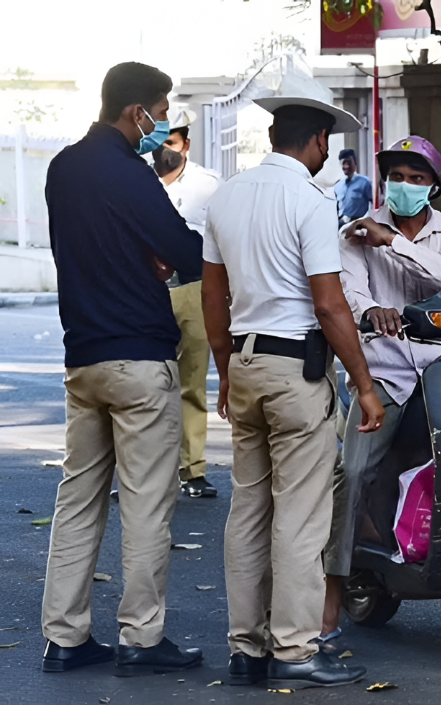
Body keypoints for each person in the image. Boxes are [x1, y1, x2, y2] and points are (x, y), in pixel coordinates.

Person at [202, 94, 385, 689]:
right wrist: (363, 385)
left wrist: (227, 369)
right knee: (302, 515)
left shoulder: (224, 197)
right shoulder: (311, 200)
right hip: (295, 371)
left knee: (249, 510)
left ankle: (246, 648)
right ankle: (296, 647)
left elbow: (212, 295)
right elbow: (329, 303)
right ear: (318, 144)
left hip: (247, 362)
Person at [40, 61, 205, 676]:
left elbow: (86, 246)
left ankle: (65, 636)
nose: (163, 123)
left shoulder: (62, 168)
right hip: (138, 358)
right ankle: (141, 636)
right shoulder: (131, 170)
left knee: (78, 498)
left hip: (82, 357)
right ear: (136, 111)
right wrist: (163, 260)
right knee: (145, 503)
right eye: (160, 111)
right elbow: (184, 246)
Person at [320, 136, 441, 639]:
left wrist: (394, 243)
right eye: (397, 177)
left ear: (433, 186)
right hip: (382, 373)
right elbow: (353, 293)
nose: (404, 186)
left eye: (416, 179)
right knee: (354, 469)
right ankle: (333, 587)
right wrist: (370, 312)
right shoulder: (355, 232)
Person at [153, 107, 225, 498]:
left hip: (195, 290)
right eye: (160, 142)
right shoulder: (138, 181)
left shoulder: (210, 185)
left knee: (192, 384)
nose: (165, 151)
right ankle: (146, 471)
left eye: (172, 143)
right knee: (148, 386)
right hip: (149, 294)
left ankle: (192, 469)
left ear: (186, 144)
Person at [334, 148, 373, 225]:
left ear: (355, 163)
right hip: (341, 225)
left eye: (349, 162)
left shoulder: (365, 182)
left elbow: (373, 205)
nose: (346, 166)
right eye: (344, 163)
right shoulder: (338, 186)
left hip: (358, 225)